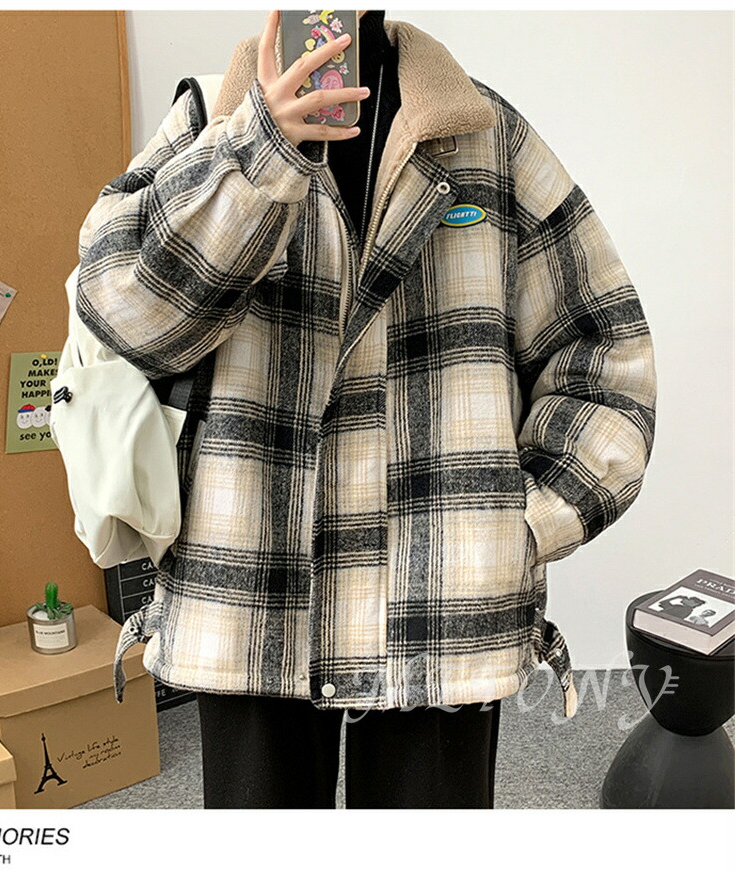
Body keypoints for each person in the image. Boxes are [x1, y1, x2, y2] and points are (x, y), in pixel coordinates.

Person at [77, 9, 658, 808]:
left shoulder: (484, 135)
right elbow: (126, 317)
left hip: (442, 590)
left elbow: (605, 350)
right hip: (248, 580)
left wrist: (519, 524)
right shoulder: (209, 119)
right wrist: (259, 154)